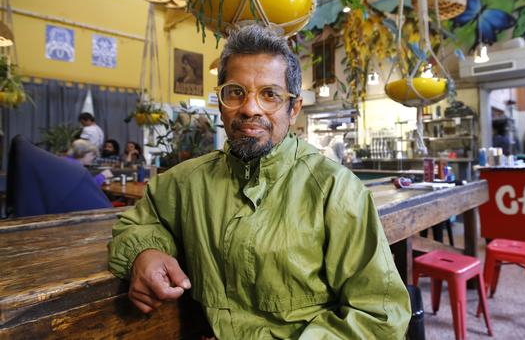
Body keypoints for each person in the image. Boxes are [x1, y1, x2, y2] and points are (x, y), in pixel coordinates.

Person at [108, 23, 411, 338]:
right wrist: (145, 252)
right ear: (221, 103)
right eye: (236, 92)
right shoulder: (186, 181)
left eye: (270, 95)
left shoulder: (335, 190)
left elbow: (378, 316)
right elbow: (140, 222)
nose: (250, 108)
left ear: (293, 109)